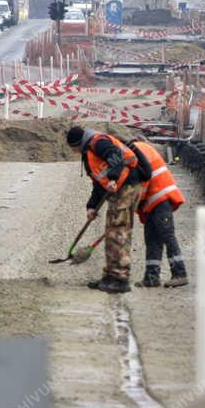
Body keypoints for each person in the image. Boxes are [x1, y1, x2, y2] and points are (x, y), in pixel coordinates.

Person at [66, 126, 151, 294]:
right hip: (119, 190)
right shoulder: (89, 152)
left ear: (76, 144)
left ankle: (120, 279)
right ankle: (110, 276)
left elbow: (116, 155)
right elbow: (98, 183)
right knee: (112, 232)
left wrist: (113, 177)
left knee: (118, 232)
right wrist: (91, 206)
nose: (73, 151)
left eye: (72, 148)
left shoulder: (98, 143)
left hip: (127, 187)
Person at [130, 139, 188, 288]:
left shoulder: (136, 152)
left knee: (167, 235)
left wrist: (130, 204)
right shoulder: (136, 149)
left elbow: (141, 182)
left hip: (161, 198)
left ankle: (180, 273)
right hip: (153, 200)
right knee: (152, 238)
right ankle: (151, 277)